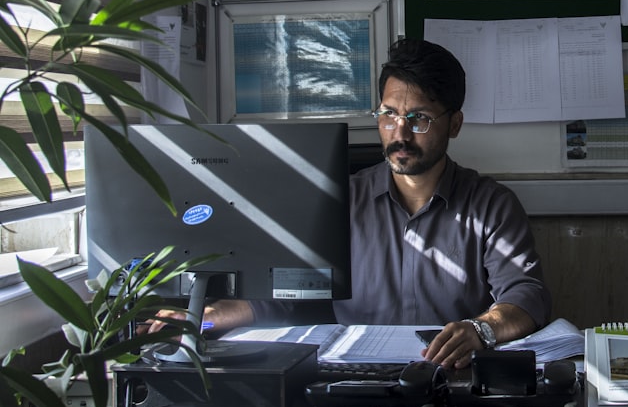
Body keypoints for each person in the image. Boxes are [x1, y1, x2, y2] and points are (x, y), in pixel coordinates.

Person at [151, 38, 551, 369]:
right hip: (353, 374)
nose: (401, 133)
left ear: (455, 124)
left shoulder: (491, 206)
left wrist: (480, 330)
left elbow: (525, 297)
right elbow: (292, 295)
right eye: (388, 114)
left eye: (420, 118)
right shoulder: (340, 202)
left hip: (452, 374)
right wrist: (205, 314)